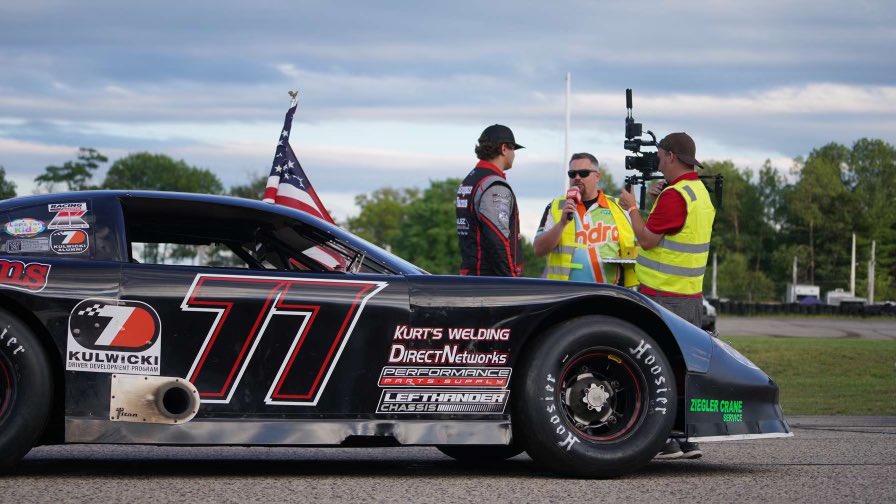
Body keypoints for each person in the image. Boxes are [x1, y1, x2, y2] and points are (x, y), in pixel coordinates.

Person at [619, 132, 716, 460]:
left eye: (660, 157)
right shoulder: (697, 192)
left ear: (672, 156)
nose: (657, 163)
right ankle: (686, 437)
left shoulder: (676, 197)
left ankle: (664, 439)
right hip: (690, 296)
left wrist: (632, 207)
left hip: (664, 296)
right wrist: (656, 198)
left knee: (657, 369)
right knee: (683, 368)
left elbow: (647, 240)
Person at [533, 153, 637, 287]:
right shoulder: (556, 206)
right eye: (572, 174)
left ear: (597, 177)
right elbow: (538, 250)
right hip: (565, 296)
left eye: (583, 173)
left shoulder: (620, 207)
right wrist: (562, 223)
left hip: (610, 296)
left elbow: (643, 243)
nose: (577, 178)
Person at [456, 124, 524, 277]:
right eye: (513, 149)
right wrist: (511, 281)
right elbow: (497, 239)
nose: (514, 155)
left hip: (471, 276)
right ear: (504, 149)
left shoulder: (470, 179)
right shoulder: (494, 185)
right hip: (489, 282)